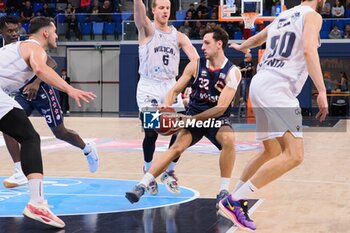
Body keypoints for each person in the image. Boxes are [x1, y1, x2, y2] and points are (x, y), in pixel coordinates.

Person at [218, 0, 328, 231]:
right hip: (278, 87)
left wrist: (243, 46)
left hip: (260, 83)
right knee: (294, 155)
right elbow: (308, 50)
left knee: (272, 151)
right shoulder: (312, 16)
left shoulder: (283, 16)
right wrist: (322, 90)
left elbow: (259, 39)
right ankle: (234, 201)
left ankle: (236, 198)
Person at [126, 26, 242, 207]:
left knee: (229, 139)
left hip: (216, 119)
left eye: (206, 43)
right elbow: (175, 89)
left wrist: (190, 120)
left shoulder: (233, 72)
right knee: (176, 147)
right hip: (194, 113)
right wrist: (167, 102)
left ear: (219, 44)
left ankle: (223, 189)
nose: (202, 47)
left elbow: (220, 108)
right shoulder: (195, 65)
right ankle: (142, 185)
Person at [0, 16, 96, 228]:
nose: (56, 36)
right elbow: (41, 69)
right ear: (45, 33)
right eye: (54, 32)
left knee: (27, 135)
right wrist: (70, 89)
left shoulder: (16, 48)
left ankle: (36, 200)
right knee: (29, 137)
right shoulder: (34, 48)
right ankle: (37, 203)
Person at [134, 0, 199, 196]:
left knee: (180, 132)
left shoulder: (178, 36)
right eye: (160, 7)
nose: (164, 11)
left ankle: (169, 172)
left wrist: (191, 83)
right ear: (153, 10)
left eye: (167, 8)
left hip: (171, 86)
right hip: (149, 87)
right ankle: (148, 169)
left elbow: (196, 59)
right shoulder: (146, 30)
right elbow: (139, 15)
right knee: (151, 133)